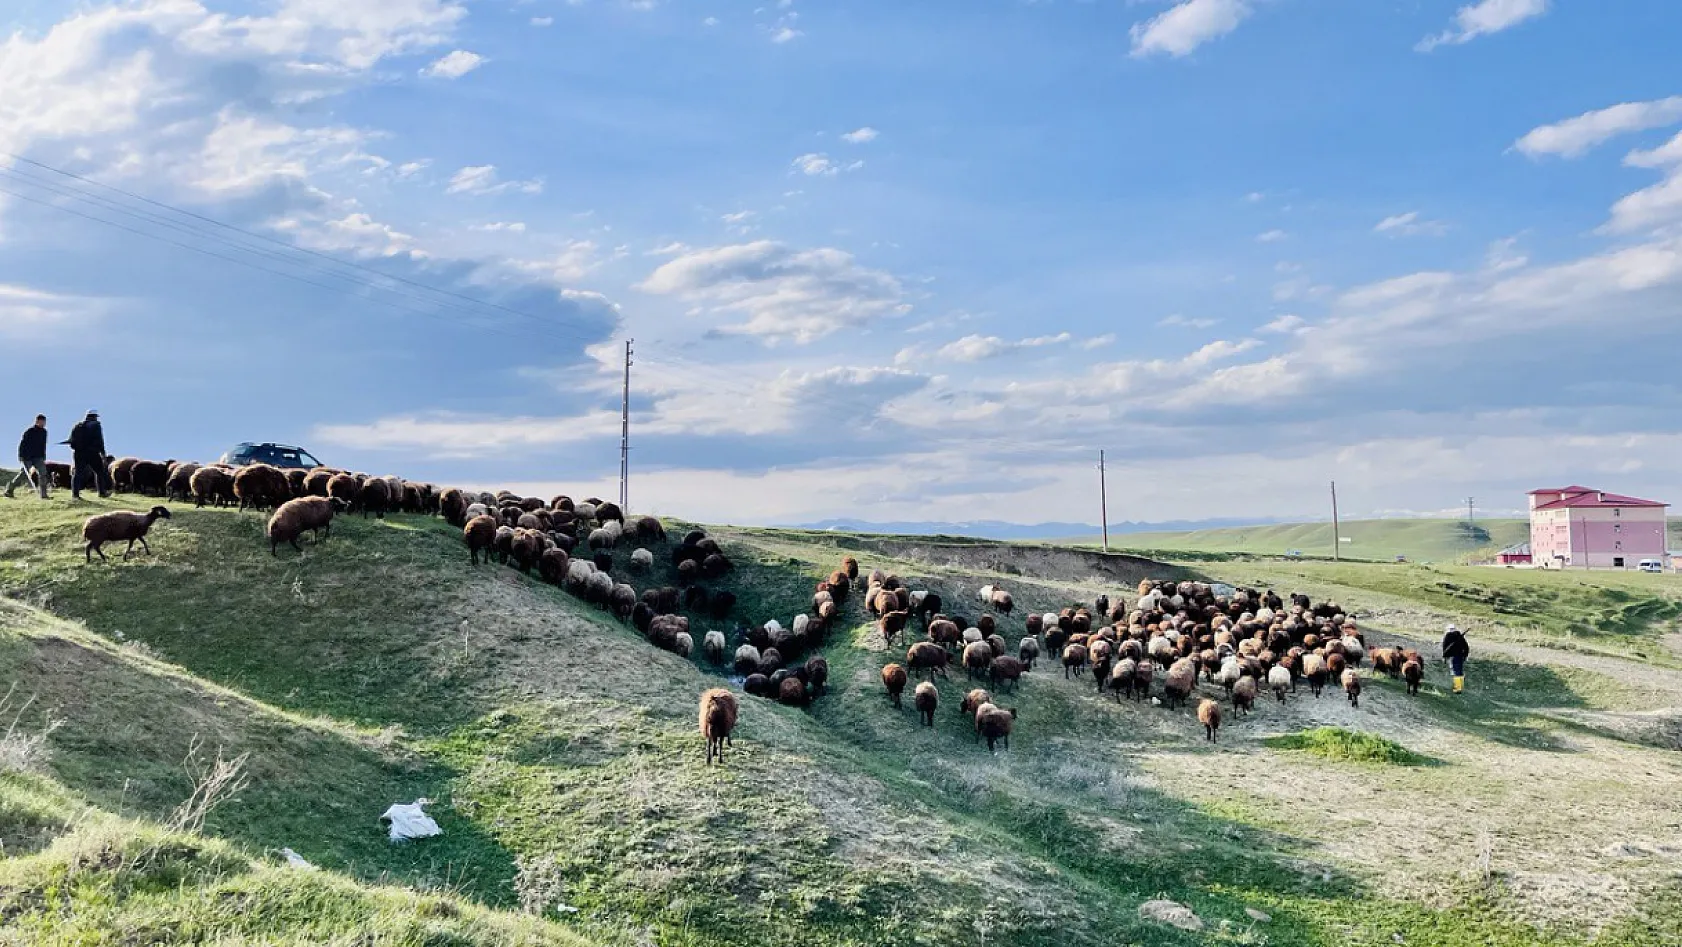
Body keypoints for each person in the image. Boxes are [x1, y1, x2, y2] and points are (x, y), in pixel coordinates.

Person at [66, 410, 111, 500]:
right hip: (92, 453)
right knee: (99, 472)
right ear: (94, 417)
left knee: (78, 473)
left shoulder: (78, 425)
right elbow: (100, 440)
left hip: (79, 453)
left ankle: (75, 495)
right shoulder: (96, 425)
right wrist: (103, 453)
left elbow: (71, 440)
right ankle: (102, 492)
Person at [5, 414, 49, 499]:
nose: (43, 423)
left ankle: (43, 495)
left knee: (43, 473)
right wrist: (21, 455)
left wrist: (43, 456)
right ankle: (9, 490)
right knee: (25, 474)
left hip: (38, 457)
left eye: (44, 422)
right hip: (27, 457)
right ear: (37, 421)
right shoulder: (29, 431)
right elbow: (22, 444)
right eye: (42, 421)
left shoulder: (44, 432)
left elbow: (43, 445)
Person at [1441, 622, 1470, 694]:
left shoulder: (1447, 636)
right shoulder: (1460, 636)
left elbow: (1444, 648)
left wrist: (1444, 657)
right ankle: (1460, 686)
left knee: (1455, 671)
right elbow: (1466, 647)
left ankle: (1458, 688)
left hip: (1453, 657)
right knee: (1459, 671)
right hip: (1460, 656)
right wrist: (1465, 655)